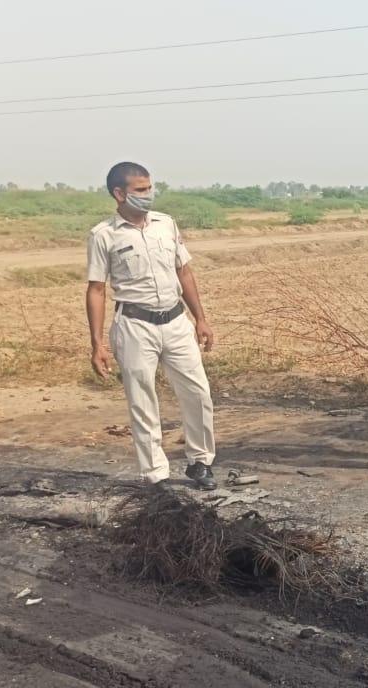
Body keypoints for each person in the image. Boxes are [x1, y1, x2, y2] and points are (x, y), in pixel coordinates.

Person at [85, 161, 218, 490]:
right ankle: (156, 475)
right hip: (134, 324)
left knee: (197, 392)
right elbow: (97, 289)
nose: (149, 195)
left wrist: (200, 318)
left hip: (175, 320)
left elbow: (183, 272)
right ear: (119, 194)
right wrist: (97, 344)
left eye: (149, 188)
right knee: (142, 400)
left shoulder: (166, 225)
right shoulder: (103, 235)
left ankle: (200, 462)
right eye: (140, 190)